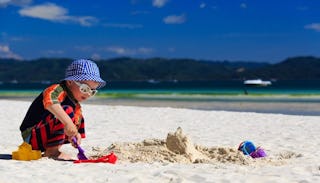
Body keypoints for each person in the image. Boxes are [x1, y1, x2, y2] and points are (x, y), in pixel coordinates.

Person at [19, 59, 106, 160]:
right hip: (32, 135)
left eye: (92, 91)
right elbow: (49, 102)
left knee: (79, 117)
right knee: (66, 112)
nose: (88, 94)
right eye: (84, 89)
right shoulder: (57, 89)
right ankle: (52, 151)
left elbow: (72, 122)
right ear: (70, 82)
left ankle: (54, 147)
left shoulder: (75, 105)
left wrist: (75, 134)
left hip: (44, 135)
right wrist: (68, 123)